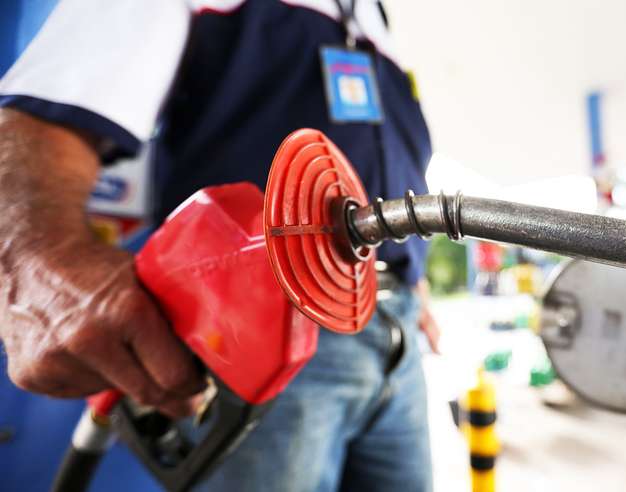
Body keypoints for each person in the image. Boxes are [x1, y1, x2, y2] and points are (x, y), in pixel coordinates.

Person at [0, 1, 439, 490]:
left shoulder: (377, 21)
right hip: (263, 326)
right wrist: (32, 256)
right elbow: (48, 108)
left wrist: (410, 280)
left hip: (395, 331)